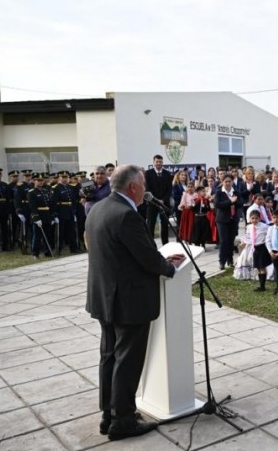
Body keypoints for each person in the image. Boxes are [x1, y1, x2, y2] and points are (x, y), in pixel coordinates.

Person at [84, 164, 184, 440]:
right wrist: (169, 268)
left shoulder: (99, 208)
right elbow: (147, 258)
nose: (146, 189)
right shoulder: (127, 215)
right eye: (143, 184)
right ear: (133, 187)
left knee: (110, 357)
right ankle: (123, 421)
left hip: (104, 297)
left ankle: (110, 414)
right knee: (127, 361)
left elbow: (117, 252)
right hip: (128, 301)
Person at [144, 155, 173, 244]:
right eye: (157, 162)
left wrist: (163, 200)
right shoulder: (148, 173)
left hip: (164, 203)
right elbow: (147, 188)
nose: (159, 163)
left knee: (165, 225)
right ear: (154, 162)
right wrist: (155, 199)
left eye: (160, 162)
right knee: (150, 225)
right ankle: (151, 245)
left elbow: (169, 189)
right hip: (152, 203)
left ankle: (166, 244)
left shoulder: (167, 174)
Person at [214, 173, 240, 269]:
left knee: (231, 240)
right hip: (222, 220)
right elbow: (217, 204)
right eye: (226, 181)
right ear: (222, 182)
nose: (228, 183)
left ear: (232, 182)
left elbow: (241, 203)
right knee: (224, 240)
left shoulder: (235, 191)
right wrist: (230, 201)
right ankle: (222, 261)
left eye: (229, 181)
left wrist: (235, 202)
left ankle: (230, 260)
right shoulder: (219, 192)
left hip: (233, 219)